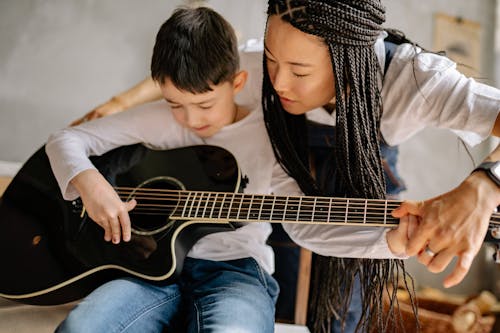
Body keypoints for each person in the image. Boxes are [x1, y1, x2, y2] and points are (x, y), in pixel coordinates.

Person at [71, 1, 500, 332]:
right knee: (277, 293)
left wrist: (484, 185)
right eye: (272, 60)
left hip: (363, 187)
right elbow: (197, 70)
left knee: (341, 316)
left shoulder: (419, 81)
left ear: (352, 61)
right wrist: (119, 105)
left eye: (298, 71)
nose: (276, 83)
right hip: (280, 185)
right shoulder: (264, 65)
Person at [46, 6, 289, 332]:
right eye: (175, 104)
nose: (191, 120)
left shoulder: (270, 126)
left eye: (205, 105)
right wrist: (92, 185)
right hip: (148, 271)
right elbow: (65, 140)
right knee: (80, 328)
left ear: (238, 82)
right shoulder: (158, 120)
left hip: (235, 269)